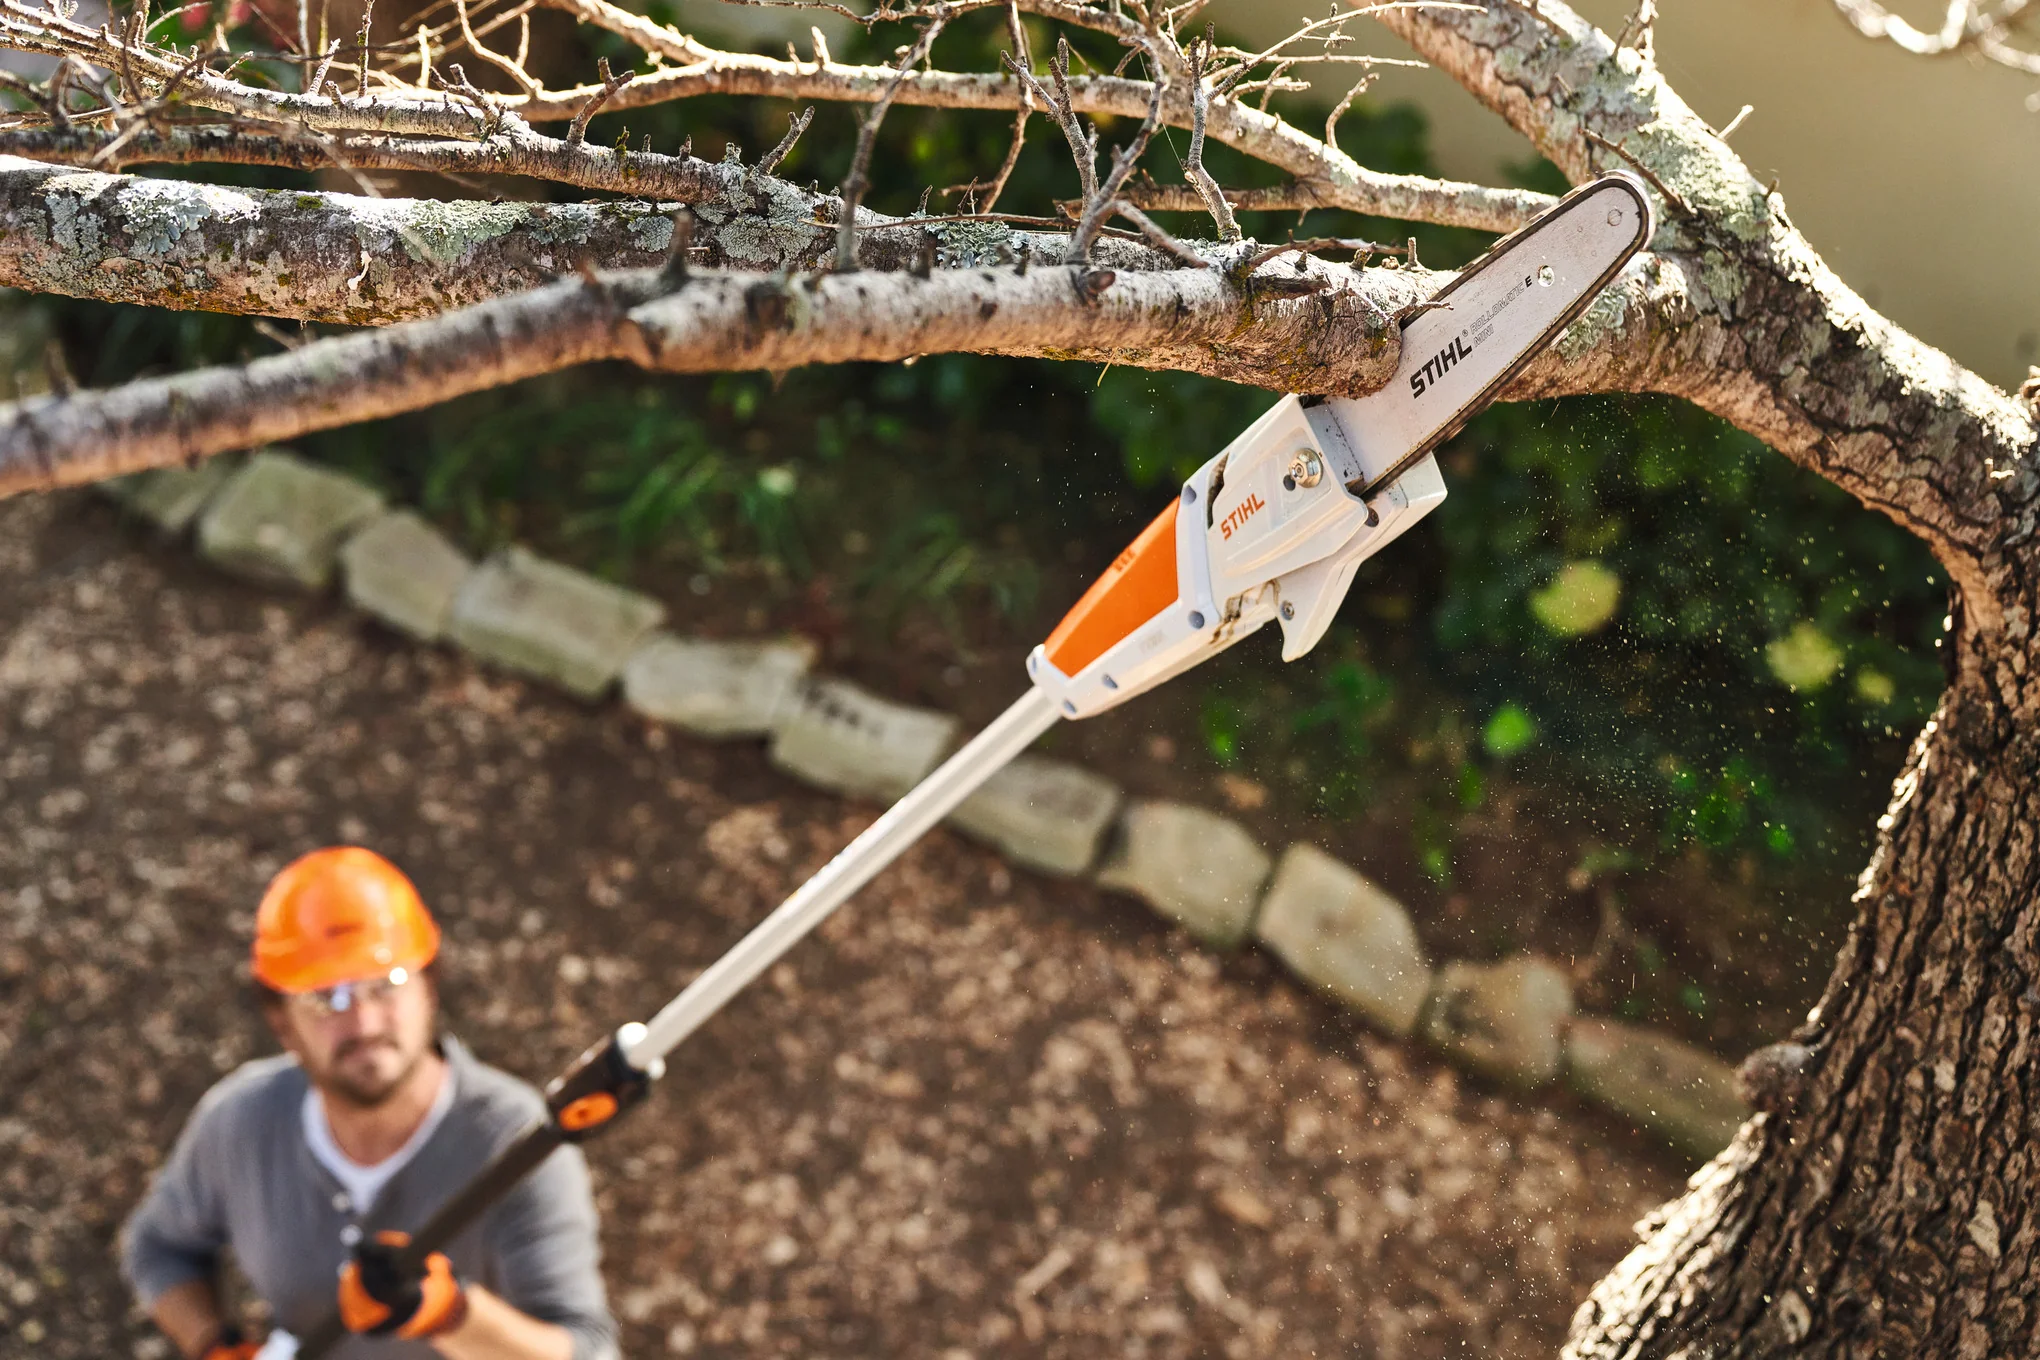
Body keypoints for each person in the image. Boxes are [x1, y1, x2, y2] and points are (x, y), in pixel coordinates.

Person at [121, 847, 618, 1360]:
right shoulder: (241, 1126)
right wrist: (212, 1344)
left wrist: (449, 1315)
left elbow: (586, 1351)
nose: (362, 1023)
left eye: (386, 985)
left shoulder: (517, 1144)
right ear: (281, 1021)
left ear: (429, 985)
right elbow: (158, 1248)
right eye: (324, 997)